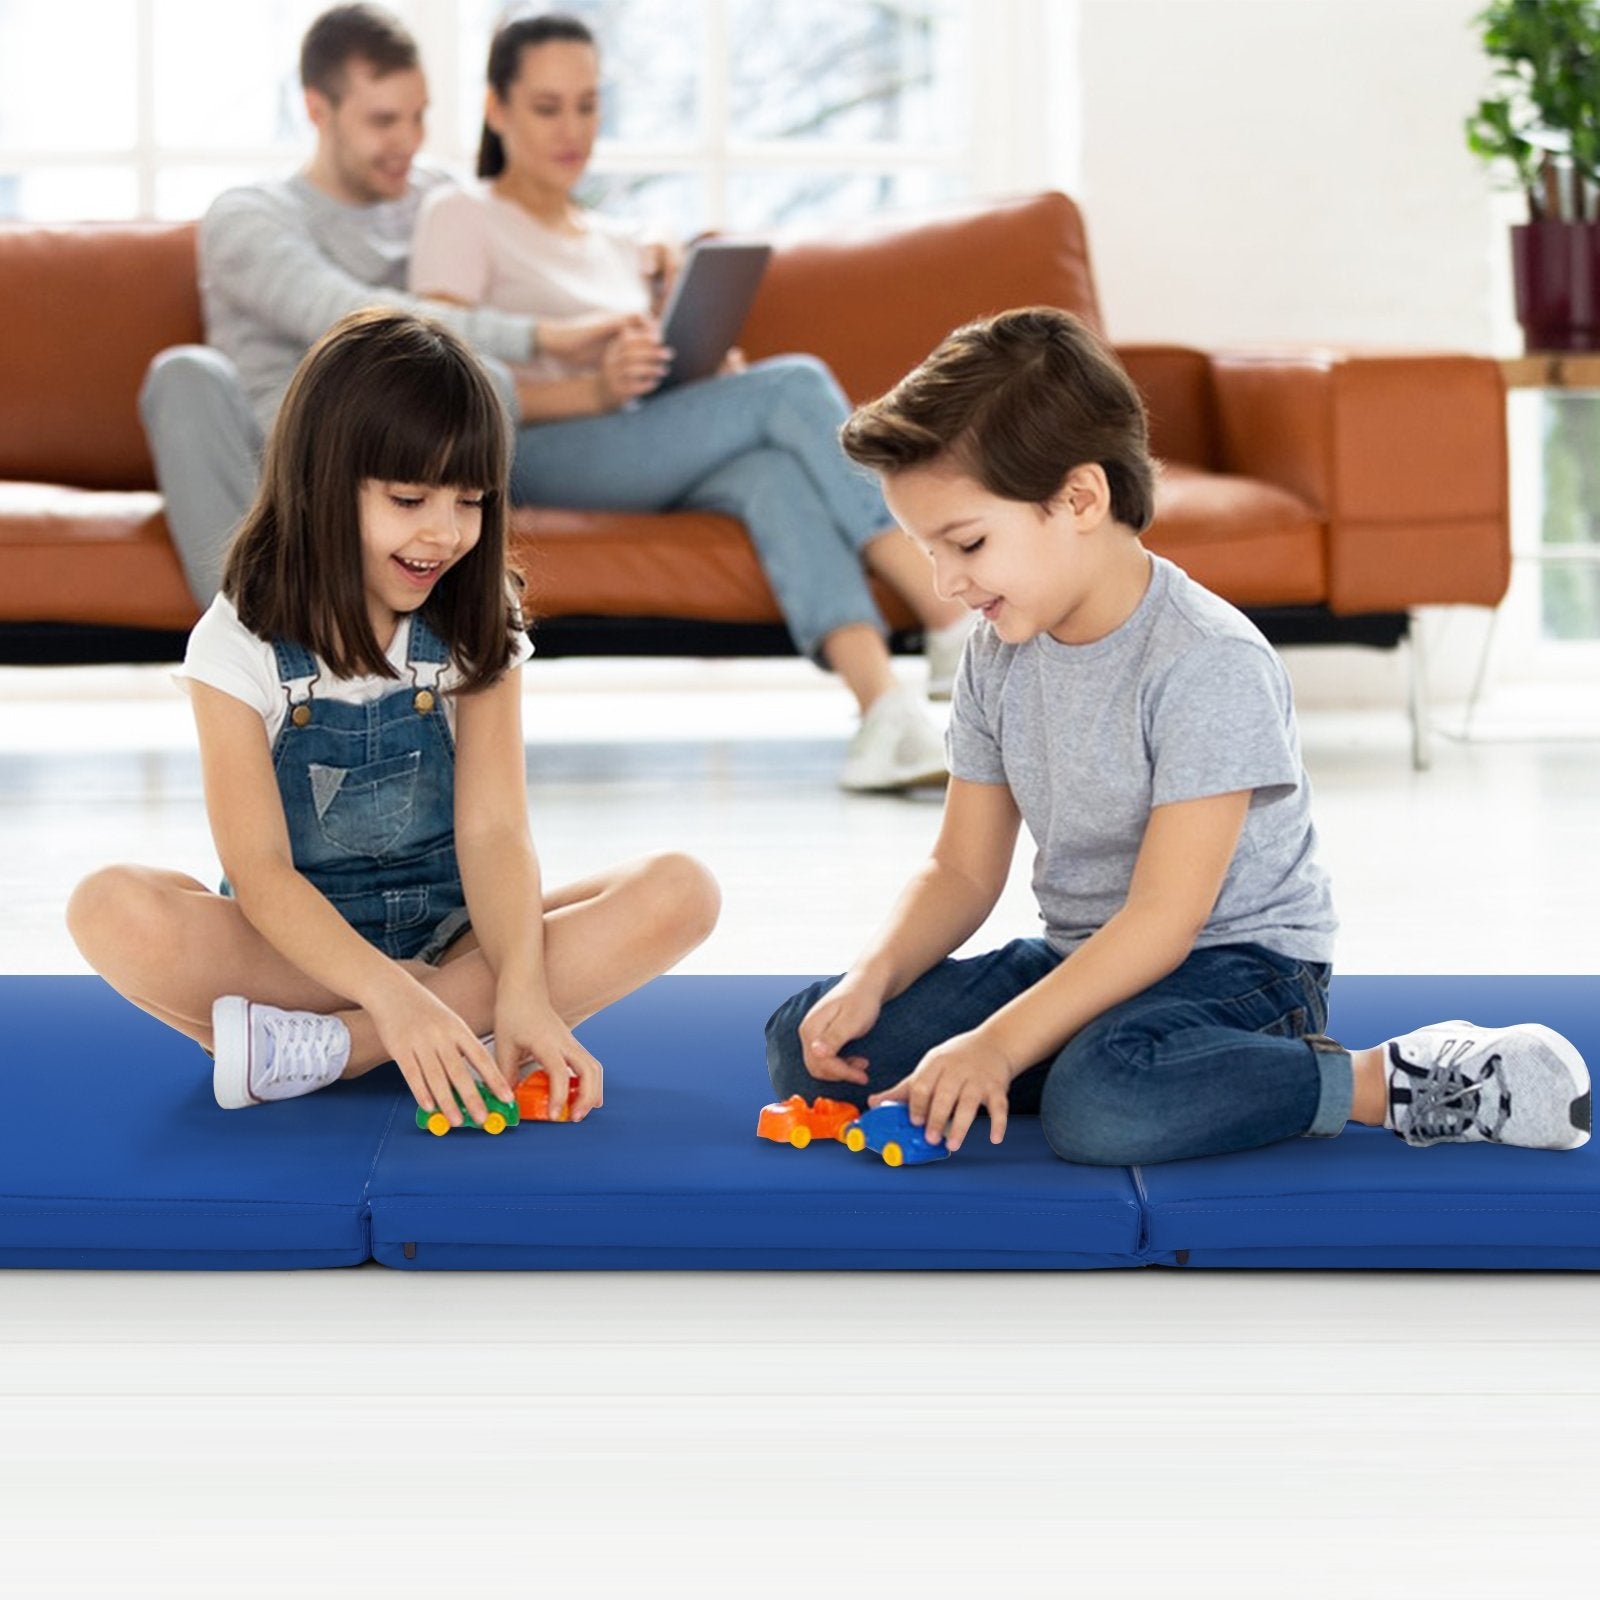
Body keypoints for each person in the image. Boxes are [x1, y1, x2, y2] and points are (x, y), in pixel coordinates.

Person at [765, 307, 1591, 1162]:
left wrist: (1002, 1044)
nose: (943, 583)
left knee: (1106, 1107)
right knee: (810, 1047)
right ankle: (1128, 1067)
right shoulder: (998, 651)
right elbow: (962, 869)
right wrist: (874, 976)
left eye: (966, 542)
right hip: (1079, 958)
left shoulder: (1207, 660)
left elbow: (1165, 918)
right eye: (925, 550)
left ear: (1079, 498)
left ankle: (1391, 1079)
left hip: (1239, 970)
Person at [70, 309, 720, 1126]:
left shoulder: (479, 622)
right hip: (298, 955)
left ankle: (337, 1049)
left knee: (680, 891)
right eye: (409, 498)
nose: (444, 533)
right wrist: (389, 992)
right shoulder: (236, 644)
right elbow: (262, 871)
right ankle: (424, 1022)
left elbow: (493, 833)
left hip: (455, 935)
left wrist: (520, 987)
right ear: (318, 485)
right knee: (108, 907)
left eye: (471, 501)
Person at [408, 10, 974, 792]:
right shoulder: (461, 215)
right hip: (535, 450)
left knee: (771, 473)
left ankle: (883, 713)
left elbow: (656, 383)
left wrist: (698, 364)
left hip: (639, 441)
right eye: (546, 107)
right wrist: (595, 388)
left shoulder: (616, 238)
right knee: (798, 383)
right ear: (497, 110)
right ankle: (946, 606)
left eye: (587, 104)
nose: (571, 129)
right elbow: (438, 380)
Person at [142, 3, 630, 608]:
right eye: (383, 120)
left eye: (419, 116)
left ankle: (449, 638)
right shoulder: (249, 216)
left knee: (490, 382)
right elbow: (353, 316)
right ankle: (249, 640)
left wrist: (638, 249)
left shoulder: (436, 199)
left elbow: (532, 241)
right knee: (183, 374)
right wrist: (542, 337)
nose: (408, 141)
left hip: (394, 464)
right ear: (318, 110)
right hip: (282, 468)